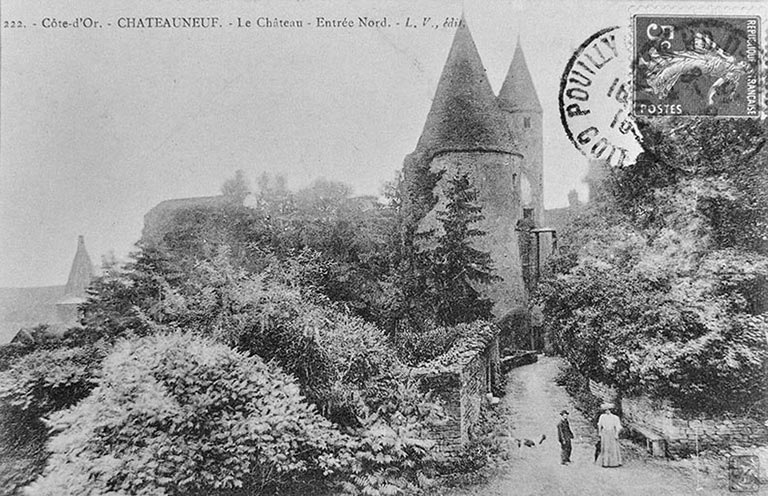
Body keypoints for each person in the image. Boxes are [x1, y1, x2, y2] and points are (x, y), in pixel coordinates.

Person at [597, 403, 622, 467]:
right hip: (605, 433)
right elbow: (599, 425)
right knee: (605, 447)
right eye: (606, 410)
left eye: (609, 410)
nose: (607, 411)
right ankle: (605, 463)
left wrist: (616, 434)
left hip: (612, 432)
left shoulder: (615, 417)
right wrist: (599, 432)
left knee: (613, 447)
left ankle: (614, 463)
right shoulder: (602, 417)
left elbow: (618, 426)